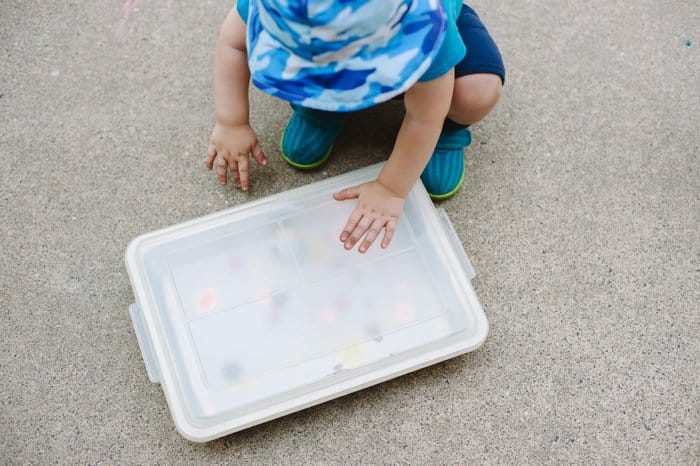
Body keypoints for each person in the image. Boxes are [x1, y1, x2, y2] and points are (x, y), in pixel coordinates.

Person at [205, 0, 505, 253]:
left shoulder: (424, 22)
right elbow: (233, 44)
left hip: (412, 47)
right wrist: (232, 122)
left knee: (476, 93)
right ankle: (325, 105)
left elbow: (424, 115)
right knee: (317, 88)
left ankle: (448, 131)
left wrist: (391, 188)